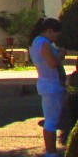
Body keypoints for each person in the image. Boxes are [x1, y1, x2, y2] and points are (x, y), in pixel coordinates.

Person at [31, 17, 66, 156]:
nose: (56, 39)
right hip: (51, 86)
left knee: (52, 119)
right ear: (50, 31)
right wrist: (61, 55)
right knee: (51, 120)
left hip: (49, 84)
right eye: (56, 35)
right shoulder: (43, 42)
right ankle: (51, 152)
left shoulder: (37, 42)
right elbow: (52, 63)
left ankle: (51, 151)